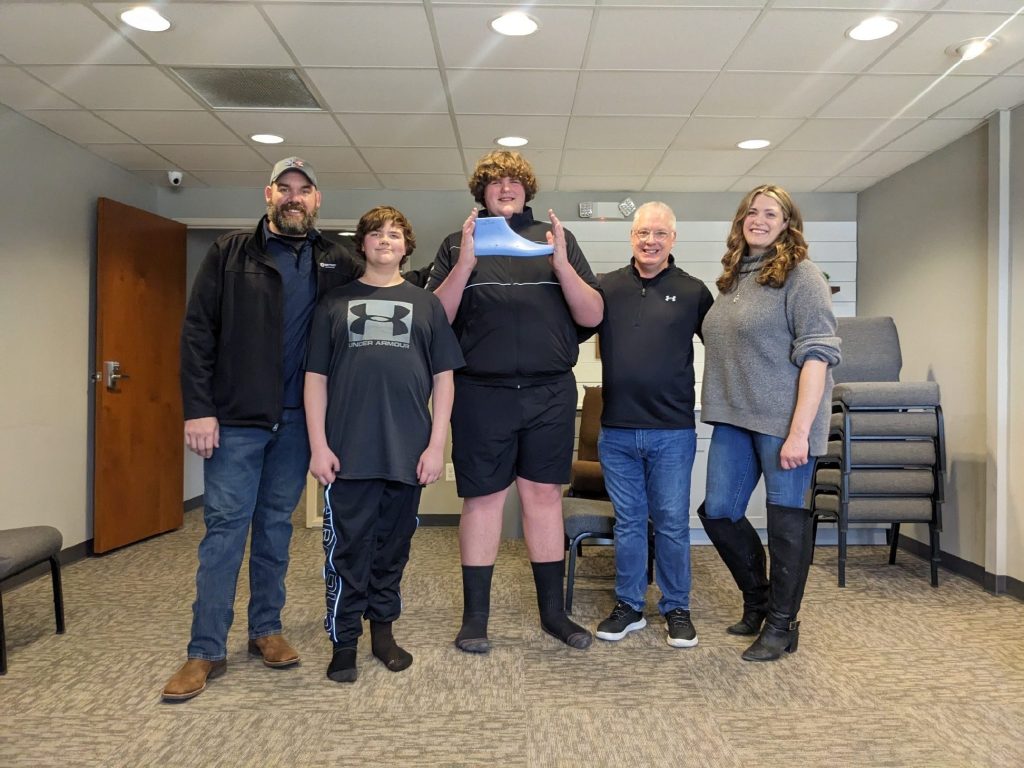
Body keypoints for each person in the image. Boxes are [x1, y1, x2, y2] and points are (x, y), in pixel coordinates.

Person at [164, 157, 359, 701]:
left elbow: (378, 295)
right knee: (225, 532)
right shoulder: (229, 254)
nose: (294, 197)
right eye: (285, 188)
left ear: (317, 200)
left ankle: (265, 630)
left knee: (276, 528)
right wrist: (197, 408)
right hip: (235, 421)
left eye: (304, 190)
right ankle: (205, 650)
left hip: (299, 421)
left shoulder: (336, 261)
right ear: (268, 195)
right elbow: (198, 333)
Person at [426, 150, 603, 652]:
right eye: (494, 182)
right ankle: (475, 619)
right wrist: (464, 264)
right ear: (481, 192)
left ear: (528, 190)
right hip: (482, 393)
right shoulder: (459, 242)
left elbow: (592, 315)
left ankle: (554, 615)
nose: (505, 188)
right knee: (482, 500)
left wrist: (563, 265)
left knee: (543, 498)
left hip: (549, 392)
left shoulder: (555, 240)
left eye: (514, 181)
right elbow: (435, 318)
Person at [699, 184, 841, 662]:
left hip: (784, 421)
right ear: (741, 220)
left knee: (785, 523)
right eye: (752, 212)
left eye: (771, 213)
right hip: (734, 416)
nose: (759, 219)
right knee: (718, 511)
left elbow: (818, 356)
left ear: (787, 223)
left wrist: (801, 431)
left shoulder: (803, 276)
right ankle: (758, 601)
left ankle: (783, 624)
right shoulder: (735, 276)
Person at [593, 202, 713, 648]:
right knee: (628, 523)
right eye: (643, 232)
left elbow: (725, 346)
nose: (651, 240)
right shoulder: (605, 287)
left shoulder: (694, 291)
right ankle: (628, 605)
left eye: (660, 233)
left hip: (672, 431)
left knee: (671, 522)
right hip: (618, 430)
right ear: (631, 237)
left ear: (673, 240)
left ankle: (677, 606)